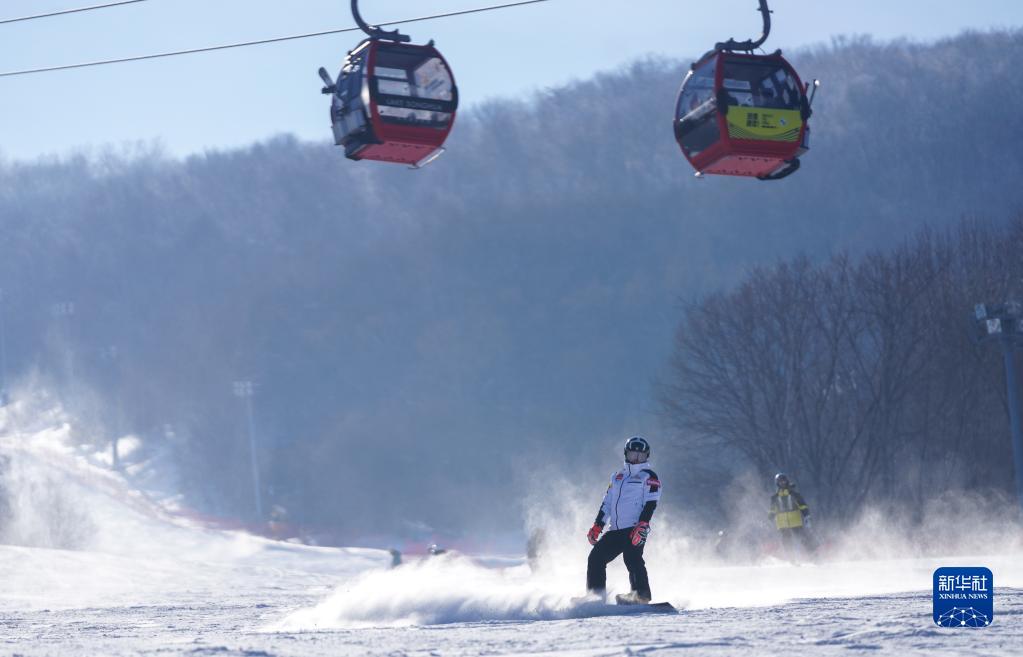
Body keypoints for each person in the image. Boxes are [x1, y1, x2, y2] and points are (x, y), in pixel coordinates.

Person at [586, 436, 662, 604]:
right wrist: (598, 525)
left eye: (641, 456)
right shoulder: (617, 477)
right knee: (596, 557)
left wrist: (643, 525)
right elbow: (607, 503)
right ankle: (595, 597)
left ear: (647, 456)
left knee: (632, 559)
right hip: (615, 530)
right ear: (626, 454)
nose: (636, 459)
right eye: (633, 454)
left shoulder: (649, 476)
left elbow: (651, 503)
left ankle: (641, 596)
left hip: (635, 529)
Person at [769, 473, 817, 556]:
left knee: (803, 538)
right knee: (786, 541)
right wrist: (770, 517)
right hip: (782, 523)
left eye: (784, 481)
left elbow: (803, 506)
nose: (782, 483)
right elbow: (772, 509)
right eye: (780, 481)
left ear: (787, 481)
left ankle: (813, 554)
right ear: (777, 483)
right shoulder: (774, 497)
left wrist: (806, 516)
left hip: (795, 521)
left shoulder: (794, 494)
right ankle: (790, 558)